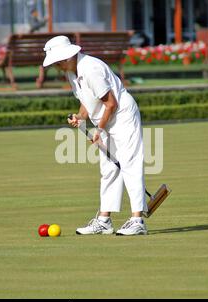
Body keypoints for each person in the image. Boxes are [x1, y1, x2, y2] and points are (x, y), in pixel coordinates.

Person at [43, 35, 148, 236]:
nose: (56, 67)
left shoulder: (91, 69)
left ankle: (137, 220)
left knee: (129, 163)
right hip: (106, 119)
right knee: (108, 168)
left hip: (122, 116)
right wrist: (80, 117)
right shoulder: (72, 73)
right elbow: (86, 100)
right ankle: (104, 221)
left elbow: (111, 103)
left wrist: (98, 130)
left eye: (56, 63)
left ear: (66, 58)